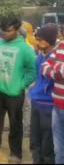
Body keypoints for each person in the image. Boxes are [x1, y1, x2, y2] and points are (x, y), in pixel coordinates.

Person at [0, 17, 36, 164]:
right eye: (3, 30)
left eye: (9, 31)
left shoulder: (25, 48)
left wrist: (22, 84)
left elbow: (33, 70)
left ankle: (16, 154)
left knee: (15, 124)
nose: (5, 33)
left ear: (17, 30)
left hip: (14, 93)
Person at [29, 26, 57, 164]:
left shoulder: (57, 57)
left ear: (48, 41)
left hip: (48, 103)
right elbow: (36, 75)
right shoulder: (40, 55)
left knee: (47, 140)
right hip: (36, 100)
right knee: (35, 138)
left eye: (40, 40)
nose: (37, 43)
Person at [42, 29, 64, 164]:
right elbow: (44, 67)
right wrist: (58, 70)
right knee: (59, 149)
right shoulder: (61, 46)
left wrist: (56, 68)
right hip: (57, 105)